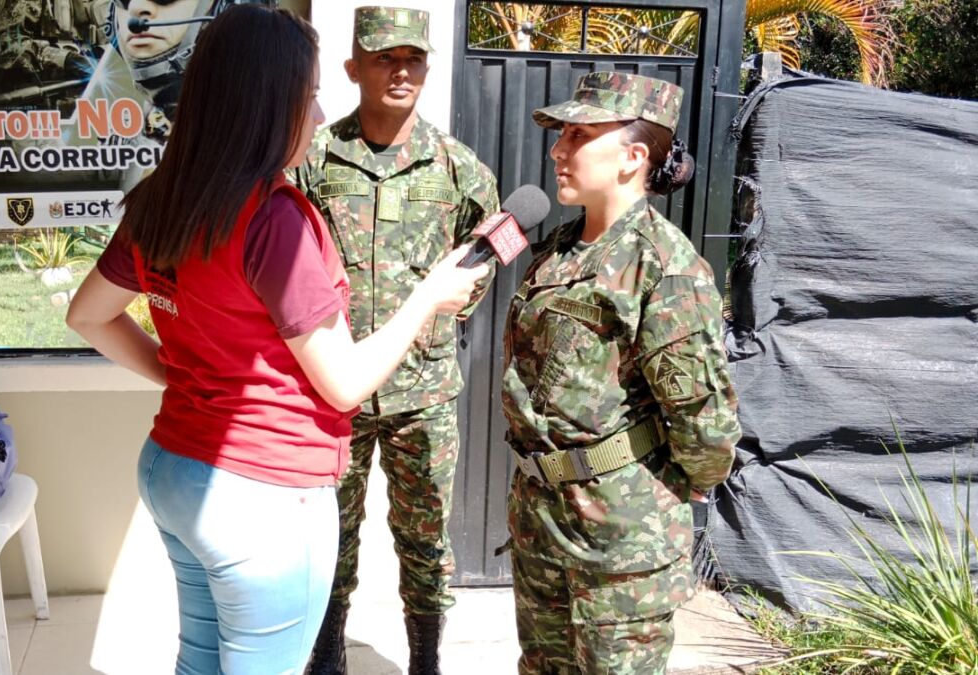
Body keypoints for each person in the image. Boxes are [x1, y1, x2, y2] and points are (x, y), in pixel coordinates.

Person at [65, 6, 489, 675]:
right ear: (266, 104)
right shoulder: (274, 218)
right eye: (309, 96)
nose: (318, 117)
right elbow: (345, 382)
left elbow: (88, 316)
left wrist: (190, 378)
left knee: (201, 662)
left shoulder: (162, 199)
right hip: (262, 496)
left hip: (175, 469)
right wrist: (427, 297)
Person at [501, 71, 741, 674]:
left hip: (621, 539)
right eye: (561, 135)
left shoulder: (665, 267)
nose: (558, 149)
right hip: (542, 517)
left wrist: (650, 496)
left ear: (634, 157)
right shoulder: (559, 249)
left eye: (579, 135)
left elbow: (706, 433)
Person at [290, 7, 499, 674]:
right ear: (353, 68)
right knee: (329, 536)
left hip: (424, 393)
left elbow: (488, 249)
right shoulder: (317, 160)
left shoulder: (459, 168)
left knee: (426, 538)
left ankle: (426, 659)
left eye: (413, 57)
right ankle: (327, 655)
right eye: (384, 56)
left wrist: (449, 314)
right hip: (334, 390)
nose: (401, 69)